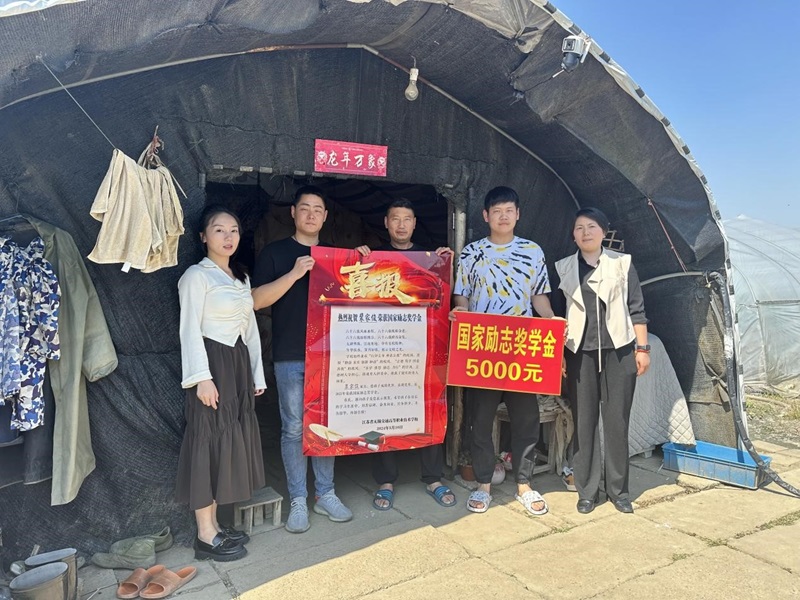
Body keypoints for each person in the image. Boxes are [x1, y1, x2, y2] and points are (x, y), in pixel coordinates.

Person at [252, 185, 353, 534]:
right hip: (290, 354)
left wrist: (362, 259)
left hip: (331, 356)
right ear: (293, 213)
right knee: (294, 427)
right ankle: (298, 498)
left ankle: (325, 494)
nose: (311, 215)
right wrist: (295, 274)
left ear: (325, 217)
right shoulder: (275, 253)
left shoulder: (337, 257)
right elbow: (256, 300)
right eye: (305, 208)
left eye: (317, 209)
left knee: (327, 424)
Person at [450, 186, 557, 516]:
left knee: (526, 418)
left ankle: (524, 484)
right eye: (497, 211)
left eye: (509, 210)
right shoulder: (471, 253)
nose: (503, 216)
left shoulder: (532, 251)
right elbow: (462, 296)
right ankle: (484, 483)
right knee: (480, 419)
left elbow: (538, 296)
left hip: (522, 345)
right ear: (486, 216)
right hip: (483, 346)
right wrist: (460, 312)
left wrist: (552, 322)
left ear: (518, 214)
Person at [176, 205, 266, 562]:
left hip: (237, 364)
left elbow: (250, 330)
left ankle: (216, 525)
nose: (228, 237)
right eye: (219, 230)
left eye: (234, 230)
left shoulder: (240, 278)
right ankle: (205, 534)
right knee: (207, 441)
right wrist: (202, 378)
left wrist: (256, 374)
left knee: (226, 442)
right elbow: (189, 329)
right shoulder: (196, 276)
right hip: (212, 364)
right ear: (203, 237)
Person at [357, 198, 456, 511]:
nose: (401, 224)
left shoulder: (429, 258)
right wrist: (355, 259)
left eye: (407, 219)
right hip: (384, 349)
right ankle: (385, 481)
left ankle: (433, 478)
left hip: (422, 349)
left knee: (429, 407)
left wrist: (446, 262)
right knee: (382, 411)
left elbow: (444, 296)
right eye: (395, 218)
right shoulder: (373, 257)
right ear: (386, 223)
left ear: (414, 223)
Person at [554, 207, 649, 515]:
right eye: (579, 227)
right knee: (584, 422)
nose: (585, 233)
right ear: (573, 235)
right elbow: (557, 316)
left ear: (604, 232)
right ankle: (587, 491)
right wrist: (559, 355)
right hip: (578, 353)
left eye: (592, 226)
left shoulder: (622, 264)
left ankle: (619, 491)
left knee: (617, 421)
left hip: (619, 351)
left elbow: (637, 308)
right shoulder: (564, 267)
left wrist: (642, 348)